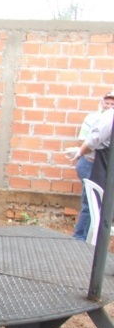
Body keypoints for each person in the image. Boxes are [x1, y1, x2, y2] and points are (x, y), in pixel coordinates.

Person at [67, 92, 114, 240]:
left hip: (99, 165)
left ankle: (87, 238)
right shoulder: (103, 118)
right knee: (92, 205)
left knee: (96, 205)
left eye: (113, 103)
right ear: (102, 102)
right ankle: (80, 239)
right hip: (91, 165)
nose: (110, 105)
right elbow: (90, 141)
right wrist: (80, 152)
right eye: (107, 102)